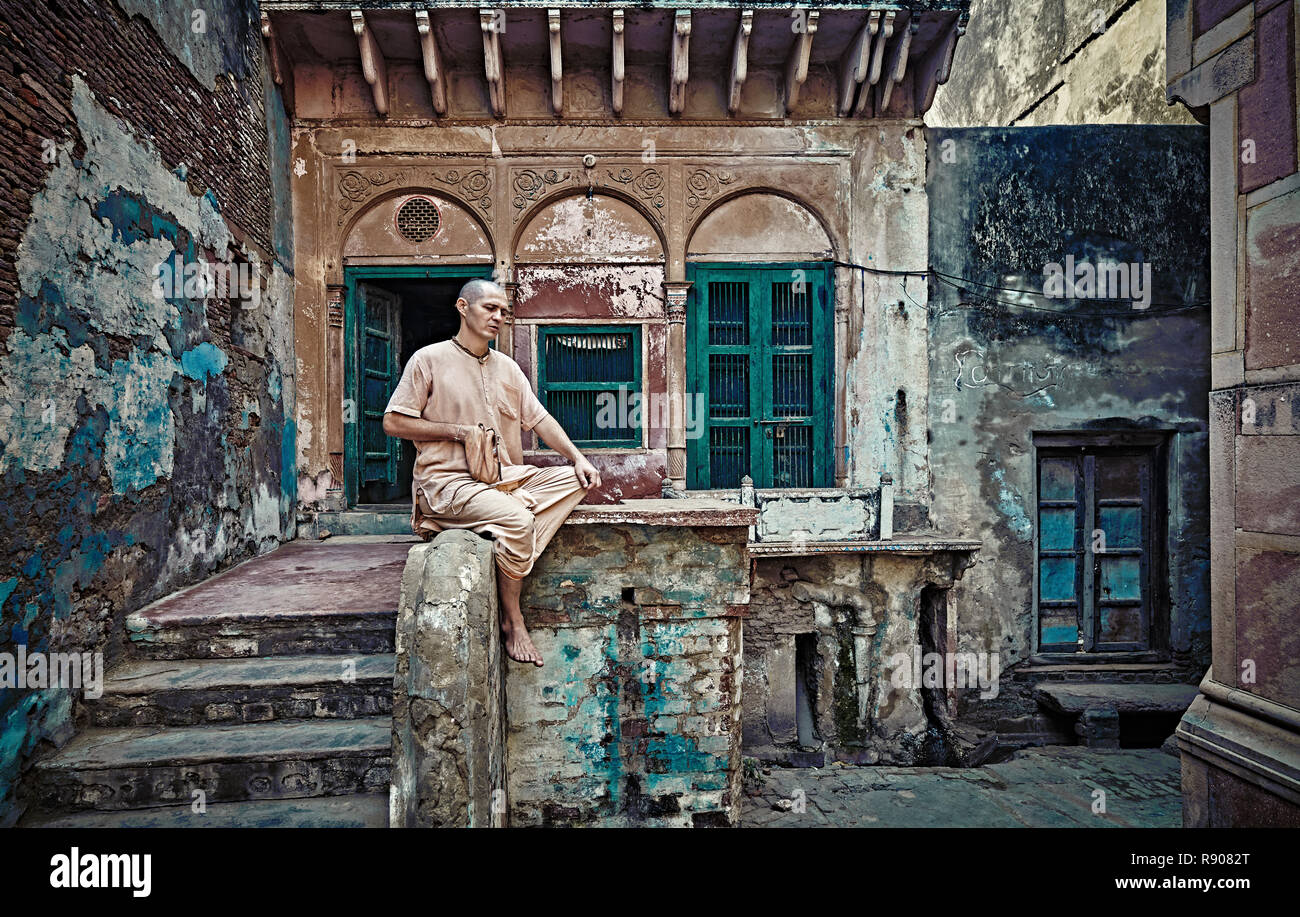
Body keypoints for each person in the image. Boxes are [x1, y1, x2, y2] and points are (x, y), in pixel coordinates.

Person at [382, 279, 601, 666]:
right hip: (447, 482)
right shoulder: (428, 359)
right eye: (490, 309)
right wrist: (457, 431)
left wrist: (577, 457)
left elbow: (540, 419)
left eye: (504, 311)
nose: (499, 317)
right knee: (518, 520)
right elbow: (394, 422)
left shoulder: (508, 368)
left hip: (505, 479)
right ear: (463, 307)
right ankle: (513, 618)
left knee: (575, 481)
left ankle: (497, 528)